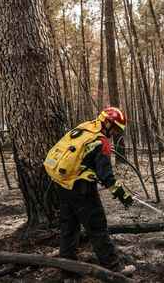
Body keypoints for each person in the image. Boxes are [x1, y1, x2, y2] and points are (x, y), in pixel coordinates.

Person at [43, 107, 134, 281]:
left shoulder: (85, 127)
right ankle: (115, 270)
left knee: (68, 228)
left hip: (63, 185)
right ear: (107, 123)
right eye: (114, 129)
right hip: (82, 190)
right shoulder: (101, 142)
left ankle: (67, 270)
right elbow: (106, 176)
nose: (114, 133)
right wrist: (122, 194)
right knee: (97, 228)